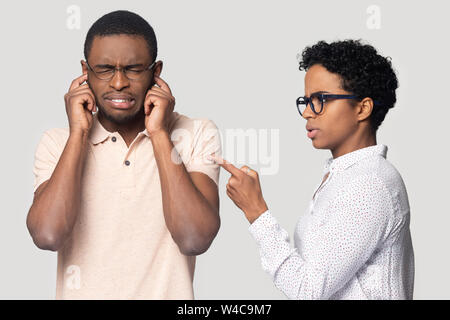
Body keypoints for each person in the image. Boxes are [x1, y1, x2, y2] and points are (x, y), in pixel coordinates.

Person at [27, 10, 221, 299]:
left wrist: (158, 134)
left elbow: (194, 238)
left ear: (155, 73)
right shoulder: (58, 142)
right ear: (85, 72)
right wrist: (79, 134)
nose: (118, 83)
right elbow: (47, 235)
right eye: (104, 69)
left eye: (133, 69)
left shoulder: (195, 133)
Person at [210, 40, 414, 299]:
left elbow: (308, 290)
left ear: (362, 108)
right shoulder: (347, 175)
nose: (307, 112)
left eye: (321, 99)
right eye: (306, 101)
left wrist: (256, 211)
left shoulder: (369, 183)